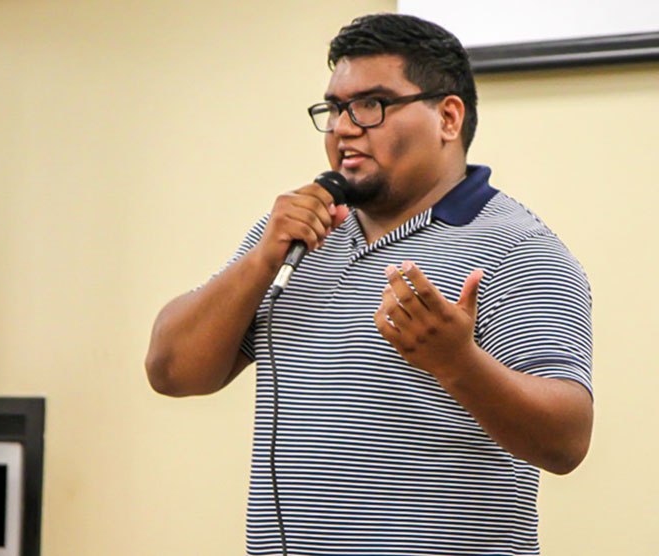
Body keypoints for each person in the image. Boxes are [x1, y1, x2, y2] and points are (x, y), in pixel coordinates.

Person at [145, 13, 593, 555]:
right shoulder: (294, 237)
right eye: (333, 109)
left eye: (371, 105)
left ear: (448, 117)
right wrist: (261, 258)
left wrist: (457, 361)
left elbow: (567, 441)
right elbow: (170, 371)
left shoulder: (521, 249)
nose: (343, 127)